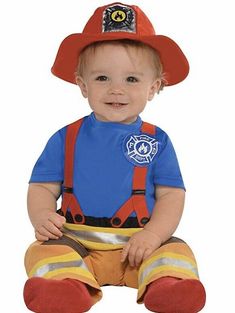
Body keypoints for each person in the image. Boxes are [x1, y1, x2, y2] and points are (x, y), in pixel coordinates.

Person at [23, 3, 206, 313]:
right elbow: (41, 187)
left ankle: (166, 286)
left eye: (132, 80)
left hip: (138, 247)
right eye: (102, 78)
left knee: (176, 250)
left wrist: (153, 234)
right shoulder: (65, 138)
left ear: (154, 87)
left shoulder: (157, 141)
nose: (117, 89)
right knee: (41, 252)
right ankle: (67, 288)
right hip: (76, 244)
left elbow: (171, 195)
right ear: (83, 85)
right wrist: (41, 216)